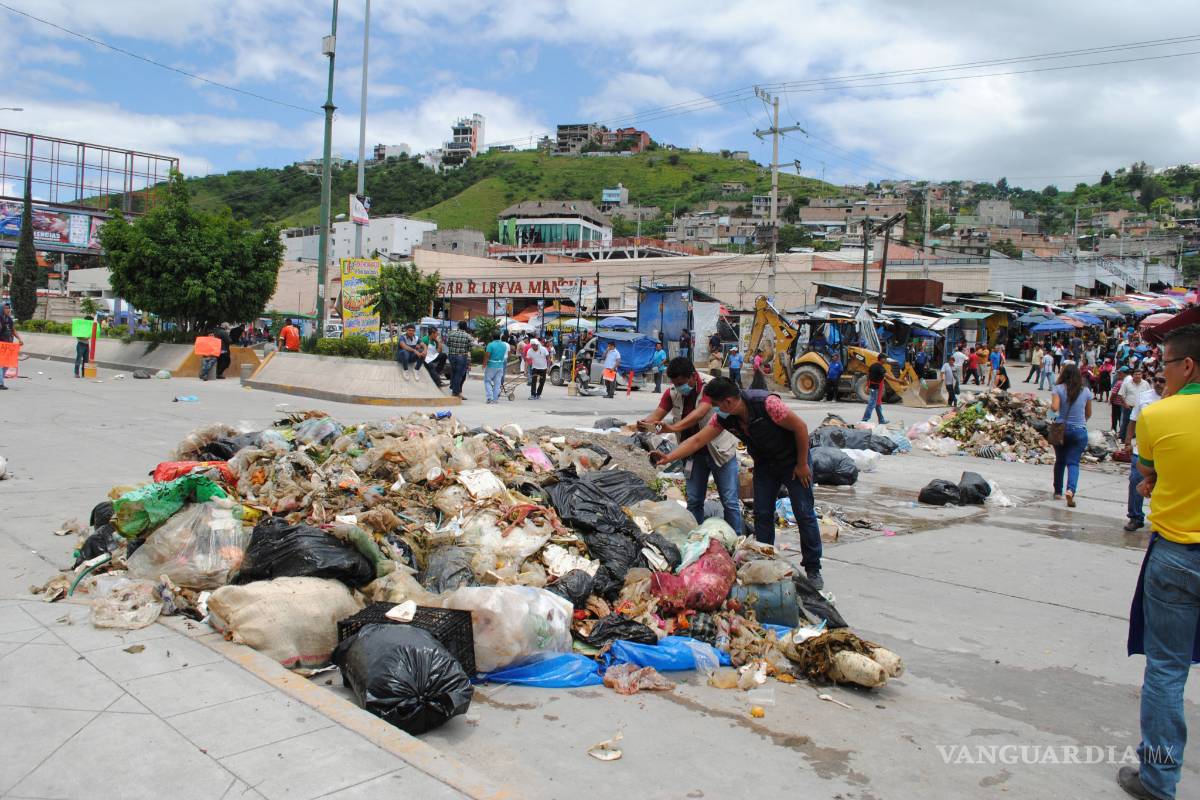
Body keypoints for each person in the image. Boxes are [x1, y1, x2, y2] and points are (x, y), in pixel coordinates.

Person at [1120, 325, 1200, 800]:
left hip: (1177, 556)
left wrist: (1152, 484)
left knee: (1167, 671)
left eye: (1164, 365)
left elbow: (1149, 473)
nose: (1160, 374)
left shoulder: (1158, 415)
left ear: (1186, 366)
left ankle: (1158, 781)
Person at [650, 378, 825, 589]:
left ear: (728, 402)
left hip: (794, 463)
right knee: (762, 514)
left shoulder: (768, 404)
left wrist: (802, 464)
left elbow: (801, 427)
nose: (715, 411)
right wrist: (668, 458)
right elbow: (697, 440)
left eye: (716, 405)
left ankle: (813, 568)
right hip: (765, 465)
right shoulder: (725, 418)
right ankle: (765, 560)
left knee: (804, 514)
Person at [637, 358, 743, 533]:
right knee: (694, 500)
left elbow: (700, 414)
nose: (678, 388)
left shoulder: (711, 387)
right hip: (693, 453)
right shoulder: (673, 392)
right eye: (675, 384)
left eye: (681, 383)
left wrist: (672, 428)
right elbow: (658, 415)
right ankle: (695, 538)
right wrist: (644, 424)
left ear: (693, 376)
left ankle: (736, 539)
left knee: (730, 501)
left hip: (720, 451)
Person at [1124, 371, 1164, 532]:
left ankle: (1161, 520)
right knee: (1135, 480)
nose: (1158, 383)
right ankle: (1135, 517)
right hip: (1141, 448)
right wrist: (1128, 441)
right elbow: (1133, 420)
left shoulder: (1175, 398)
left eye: (1162, 380)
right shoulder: (1144, 397)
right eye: (1156, 380)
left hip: (1164, 450)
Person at [1050, 362, 1093, 507]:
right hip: (1079, 430)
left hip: (1061, 430)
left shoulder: (1058, 389)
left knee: (1060, 461)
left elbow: (1054, 408)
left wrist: (1053, 410)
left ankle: (1058, 492)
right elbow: (1089, 413)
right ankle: (1070, 490)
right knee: (1073, 463)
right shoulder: (1086, 391)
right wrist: (1080, 422)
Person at [1119, 367, 1148, 441]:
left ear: (1142, 375)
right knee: (1127, 423)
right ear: (1133, 375)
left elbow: (1149, 394)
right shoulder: (1127, 383)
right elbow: (1121, 394)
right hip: (1129, 407)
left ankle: (1138, 440)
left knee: (1140, 424)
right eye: (1136, 374)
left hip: (1141, 408)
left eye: (1139, 374)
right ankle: (1123, 439)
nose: (1138, 376)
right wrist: (1125, 404)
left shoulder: (1145, 384)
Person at [446, 321, 473, 398]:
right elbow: (470, 348)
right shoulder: (468, 336)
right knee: (459, 374)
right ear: (465, 327)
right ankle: (456, 391)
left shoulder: (451, 334)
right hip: (462, 357)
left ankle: (453, 388)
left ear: (458, 326)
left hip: (451, 356)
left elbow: (448, 344)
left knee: (453, 372)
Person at [861, 353, 889, 425]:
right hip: (875, 388)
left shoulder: (872, 366)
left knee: (877, 404)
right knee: (872, 403)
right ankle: (864, 419)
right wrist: (897, 381)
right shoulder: (880, 368)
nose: (886, 360)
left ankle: (881, 420)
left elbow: (868, 375)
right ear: (881, 359)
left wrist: (868, 385)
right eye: (885, 358)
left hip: (874, 387)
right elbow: (888, 377)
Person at [483, 332, 508, 404]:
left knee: (487, 381)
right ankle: (495, 399)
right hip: (500, 365)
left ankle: (489, 398)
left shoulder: (490, 345)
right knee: (497, 383)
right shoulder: (504, 345)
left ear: (492, 337)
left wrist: (484, 364)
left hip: (491, 365)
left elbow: (487, 355)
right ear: (499, 337)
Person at [0, 302, 17, 390]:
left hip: (8, 345)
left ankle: (1, 380)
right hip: (1, 345)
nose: (8, 309)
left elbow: (13, 330)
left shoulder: (9, 319)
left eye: (9, 308)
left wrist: (19, 339)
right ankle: (0, 383)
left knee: (6, 365)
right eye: (6, 308)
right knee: (1, 364)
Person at [1110, 367, 1130, 433]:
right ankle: (1121, 430)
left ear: (1124, 374)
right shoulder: (1129, 381)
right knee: (1121, 417)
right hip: (1123, 404)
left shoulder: (1119, 383)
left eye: (1119, 373)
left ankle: (1113, 429)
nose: (1118, 374)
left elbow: (1114, 393)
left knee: (1114, 417)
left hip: (1116, 403)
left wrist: (1111, 400)